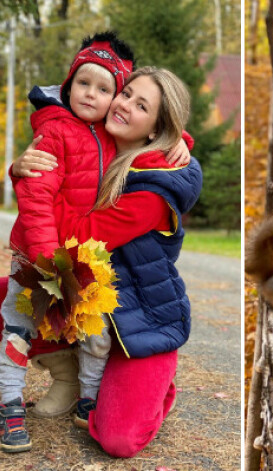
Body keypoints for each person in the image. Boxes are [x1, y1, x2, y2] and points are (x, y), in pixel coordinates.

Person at [5, 32, 190, 426]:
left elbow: (75, 227)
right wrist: (20, 170)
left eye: (140, 105)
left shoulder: (154, 189)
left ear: (157, 128)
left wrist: (183, 143)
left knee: (116, 433)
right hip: (69, 276)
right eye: (127, 95)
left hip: (139, 315)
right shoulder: (87, 136)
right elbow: (47, 185)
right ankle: (56, 381)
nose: (116, 103)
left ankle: (144, 385)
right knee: (14, 309)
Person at [0, 31, 136, 453]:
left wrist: (182, 145)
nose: (90, 94)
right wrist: (45, 260)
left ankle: (87, 400)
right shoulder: (55, 132)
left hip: (87, 262)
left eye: (103, 88)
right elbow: (36, 198)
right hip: (38, 258)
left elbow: (159, 136)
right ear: (68, 83)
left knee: (96, 334)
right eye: (83, 83)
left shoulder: (117, 138)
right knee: (17, 328)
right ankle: (9, 406)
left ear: (116, 97)